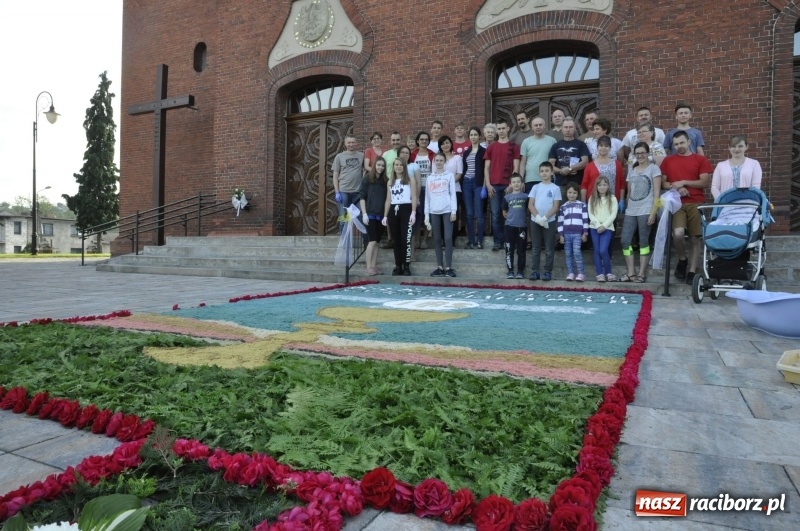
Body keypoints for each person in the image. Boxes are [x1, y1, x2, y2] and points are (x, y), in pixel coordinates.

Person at [661, 131, 712, 284]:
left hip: (696, 202)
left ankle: (692, 270)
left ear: (689, 142)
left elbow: (704, 182)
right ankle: (682, 259)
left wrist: (683, 182)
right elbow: (664, 183)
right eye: (676, 144)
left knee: (695, 238)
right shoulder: (668, 161)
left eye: (682, 143)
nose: (679, 147)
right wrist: (676, 188)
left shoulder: (700, 159)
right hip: (677, 203)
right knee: (678, 234)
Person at [619, 142, 662, 283]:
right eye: (637, 153)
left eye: (643, 153)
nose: (640, 155)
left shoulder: (654, 169)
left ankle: (641, 273)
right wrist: (626, 207)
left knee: (644, 243)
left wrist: (653, 212)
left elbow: (657, 194)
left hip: (646, 210)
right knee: (625, 240)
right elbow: (629, 193)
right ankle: (631, 272)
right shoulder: (631, 170)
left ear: (648, 153)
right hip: (631, 211)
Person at [484, 118, 520, 251]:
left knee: (509, 214)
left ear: (508, 129)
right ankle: (497, 241)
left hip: (508, 186)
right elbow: (486, 168)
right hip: (493, 186)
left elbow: (516, 167)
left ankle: (508, 241)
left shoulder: (514, 147)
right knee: (495, 214)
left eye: (503, 128)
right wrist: (488, 184)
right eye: (499, 129)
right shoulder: (491, 147)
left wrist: (512, 184)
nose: (501, 131)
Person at [382, 157, 417, 276]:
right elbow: (388, 199)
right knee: (396, 240)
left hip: (406, 209)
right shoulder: (390, 181)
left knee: (405, 240)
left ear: (404, 166)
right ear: (394, 167)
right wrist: (385, 216)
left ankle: (406, 266)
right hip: (393, 210)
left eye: (400, 165)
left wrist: (413, 212)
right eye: (396, 165)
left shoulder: (410, 179)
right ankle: (398, 266)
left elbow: (414, 196)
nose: (398, 167)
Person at [425, 152, 458, 277]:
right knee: (437, 239)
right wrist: (426, 215)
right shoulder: (430, 178)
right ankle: (440, 267)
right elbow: (427, 198)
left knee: (448, 238)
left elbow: (453, 194)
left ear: (445, 162)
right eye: (436, 160)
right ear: (434, 162)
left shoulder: (449, 176)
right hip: (434, 211)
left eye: (441, 160)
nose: (438, 162)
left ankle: (449, 267)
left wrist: (454, 211)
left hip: (447, 210)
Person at [528, 161, 561, 281]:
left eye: (547, 171)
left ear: (552, 172)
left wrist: (545, 218)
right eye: (542, 171)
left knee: (548, 247)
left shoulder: (555, 188)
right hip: (535, 220)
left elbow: (556, 206)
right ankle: (535, 271)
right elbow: (530, 204)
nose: (544, 173)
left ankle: (547, 271)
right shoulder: (535, 187)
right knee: (536, 247)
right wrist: (538, 217)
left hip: (549, 221)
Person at [359, 157, 388, 275]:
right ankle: (368, 266)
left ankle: (374, 266)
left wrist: (385, 215)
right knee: (372, 240)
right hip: (369, 214)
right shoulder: (366, 179)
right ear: (375, 165)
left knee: (377, 242)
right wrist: (364, 213)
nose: (380, 167)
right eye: (378, 165)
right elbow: (362, 197)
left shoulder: (385, 181)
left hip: (380, 215)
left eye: (382, 166)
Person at [711, 135, 763, 199]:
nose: (736, 149)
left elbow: (755, 187)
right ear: (729, 148)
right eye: (733, 146)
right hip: (725, 205)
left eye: (740, 146)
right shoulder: (721, 166)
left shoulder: (754, 164)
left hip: (747, 204)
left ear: (746, 147)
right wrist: (721, 201)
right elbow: (715, 187)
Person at [588, 176, 619, 282]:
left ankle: (609, 272)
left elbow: (613, 214)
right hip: (594, 228)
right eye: (599, 185)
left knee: (603, 250)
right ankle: (600, 273)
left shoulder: (612, 198)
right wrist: (597, 225)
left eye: (604, 185)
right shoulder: (592, 198)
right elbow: (590, 213)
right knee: (597, 250)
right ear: (596, 186)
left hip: (607, 228)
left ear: (608, 186)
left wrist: (604, 226)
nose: (602, 187)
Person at [332, 135, 365, 233]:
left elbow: (365, 170)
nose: (351, 144)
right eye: (349, 142)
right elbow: (335, 175)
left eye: (353, 142)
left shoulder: (361, 155)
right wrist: (337, 192)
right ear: (345, 143)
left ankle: (366, 245)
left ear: (356, 143)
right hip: (343, 192)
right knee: (344, 218)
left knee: (361, 217)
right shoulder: (339, 156)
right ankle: (343, 244)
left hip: (357, 193)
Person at [548, 117, 591, 191]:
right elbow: (550, 165)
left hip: (577, 185)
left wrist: (570, 169)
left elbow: (585, 162)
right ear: (562, 129)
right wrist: (561, 171)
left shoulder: (581, 144)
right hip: (560, 185)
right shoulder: (556, 146)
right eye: (566, 127)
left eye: (570, 127)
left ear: (575, 129)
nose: (568, 130)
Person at [557, 182, 589, 281]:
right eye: (570, 192)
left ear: (577, 194)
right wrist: (561, 235)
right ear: (566, 193)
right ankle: (570, 273)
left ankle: (581, 273)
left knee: (577, 253)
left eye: (574, 193)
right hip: (566, 234)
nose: (572, 195)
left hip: (577, 234)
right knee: (568, 254)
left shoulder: (582, 205)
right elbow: (560, 221)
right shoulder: (563, 207)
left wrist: (585, 233)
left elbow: (585, 219)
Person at [462, 126, 486, 249]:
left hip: (478, 184)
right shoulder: (466, 152)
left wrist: (484, 185)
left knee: (479, 213)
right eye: (471, 135)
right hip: (466, 183)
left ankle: (479, 241)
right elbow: (464, 169)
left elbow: (486, 169)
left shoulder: (483, 151)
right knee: (469, 214)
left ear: (479, 137)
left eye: (475, 135)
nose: (473, 137)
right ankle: (471, 241)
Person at [582, 135, 625, 204]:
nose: (603, 148)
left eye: (606, 146)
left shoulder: (617, 164)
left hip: (612, 202)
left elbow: (622, 183)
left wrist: (622, 199)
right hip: (594, 202)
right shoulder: (590, 166)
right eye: (601, 145)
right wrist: (583, 201)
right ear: (597, 147)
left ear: (610, 148)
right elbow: (584, 185)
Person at [410, 131, 435, 248]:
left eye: (426, 139)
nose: (424, 141)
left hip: (430, 188)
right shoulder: (413, 154)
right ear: (418, 141)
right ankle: (416, 240)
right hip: (416, 188)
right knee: (417, 213)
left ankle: (425, 239)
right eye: (421, 139)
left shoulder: (432, 154)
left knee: (427, 213)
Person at [502, 173, 528, 279]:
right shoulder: (506, 198)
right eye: (514, 182)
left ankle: (520, 271)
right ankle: (510, 271)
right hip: (509, 227)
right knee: (509, 250)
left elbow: (528, 210)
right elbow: (504, 212)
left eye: (518, 182)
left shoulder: (526, 197)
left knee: (521, 250)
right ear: (510, 184)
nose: (516, 184)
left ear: (522, 183)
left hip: (522, 227)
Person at [439, 135, 464, 245]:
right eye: (443, 143)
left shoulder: (457, 158)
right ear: (440, 146)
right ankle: (443, 239)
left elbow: (459, 174)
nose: (445, 145)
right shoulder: (438, 158)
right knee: (441, 214)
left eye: (447, 142)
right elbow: (435, 174)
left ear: (451, 144)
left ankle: (452, 240)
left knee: (453, 214)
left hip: (455, 190)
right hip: (440, 191)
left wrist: (448, 182)